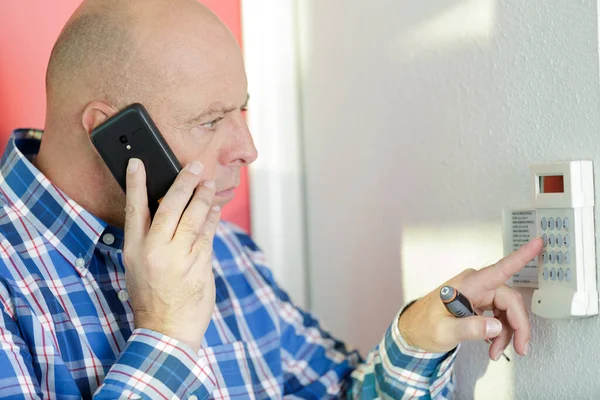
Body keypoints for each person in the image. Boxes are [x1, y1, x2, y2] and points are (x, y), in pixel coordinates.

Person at [0, 0, 543, 398]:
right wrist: (165, 330)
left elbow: (338, 394)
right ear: (110, 132)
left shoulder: (228, 252)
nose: (248, 149)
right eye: (210, 120)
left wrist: (419, 335)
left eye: (242, 110)